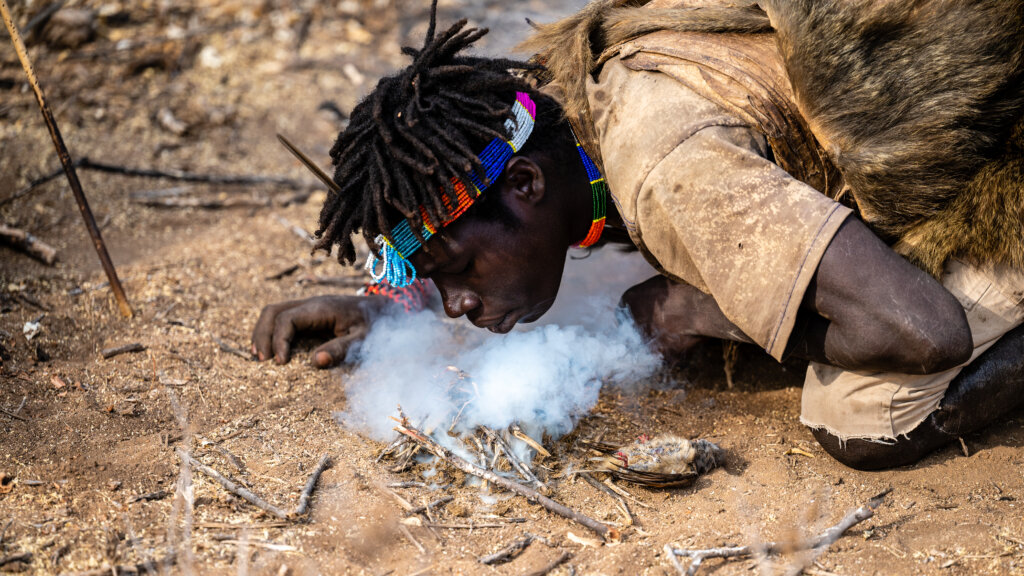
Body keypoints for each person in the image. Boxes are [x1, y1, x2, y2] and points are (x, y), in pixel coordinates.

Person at [252, 0, 1024, 470]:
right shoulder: (538, 116)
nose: (457, 301)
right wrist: (396, 304)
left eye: (456, 270)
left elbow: (924, 331)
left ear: (523, 188)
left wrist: (704, 313)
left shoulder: (660, 166)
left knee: (860, 420)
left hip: (1004, 157)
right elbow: (461, 216)